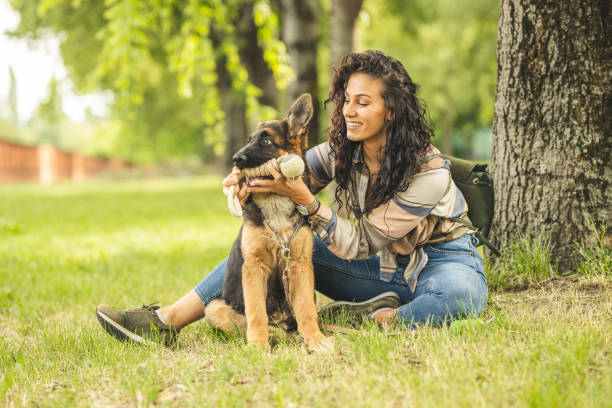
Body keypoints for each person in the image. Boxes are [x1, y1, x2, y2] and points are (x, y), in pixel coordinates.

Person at [96, 51, 487, 346]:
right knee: (258, 244)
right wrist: (244, 179)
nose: (349, 111)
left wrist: (309, 203)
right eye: (347, 99)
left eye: (363, 103)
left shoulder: (429, 171)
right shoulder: (341, 152)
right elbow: (280, 174)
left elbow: (359, 241)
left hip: (441, 262)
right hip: (377, 270)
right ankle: (166, 321)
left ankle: (374, 318)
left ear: (392, 111)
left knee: (461, 297)